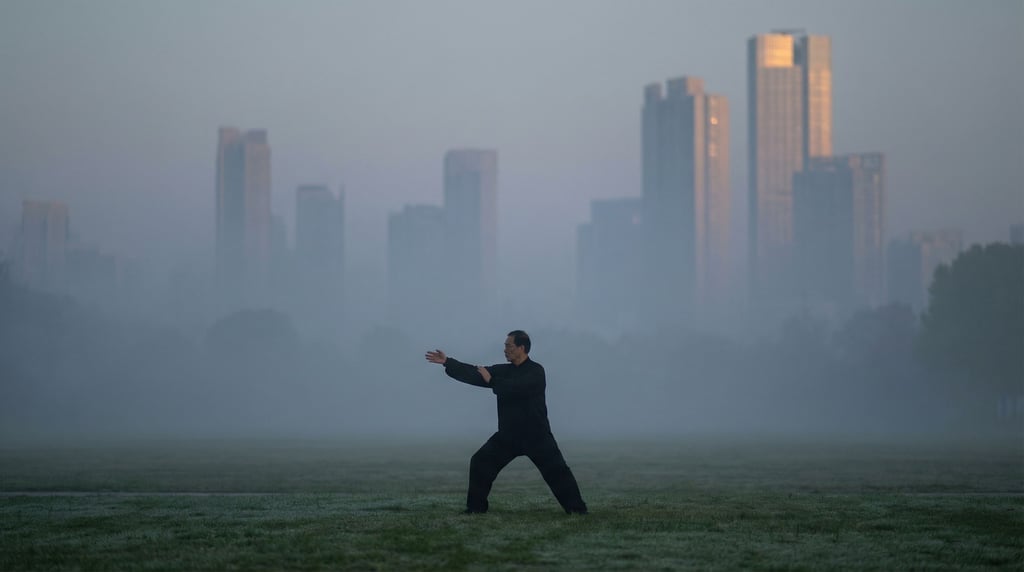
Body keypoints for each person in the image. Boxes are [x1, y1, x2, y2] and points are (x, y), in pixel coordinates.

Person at [425, 330, 588, 515]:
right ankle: (475, 509)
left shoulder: (536, 371)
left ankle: (576, 509)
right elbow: (475, 372)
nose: (505, 350)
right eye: (505, 346)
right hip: (508, 435)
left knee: (557, 472)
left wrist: (492, 381)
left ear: (521, 348)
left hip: (537, 435)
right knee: (480, 462)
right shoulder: (502, 371)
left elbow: (518, 388)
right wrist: (448, 362)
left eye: (509, 346)